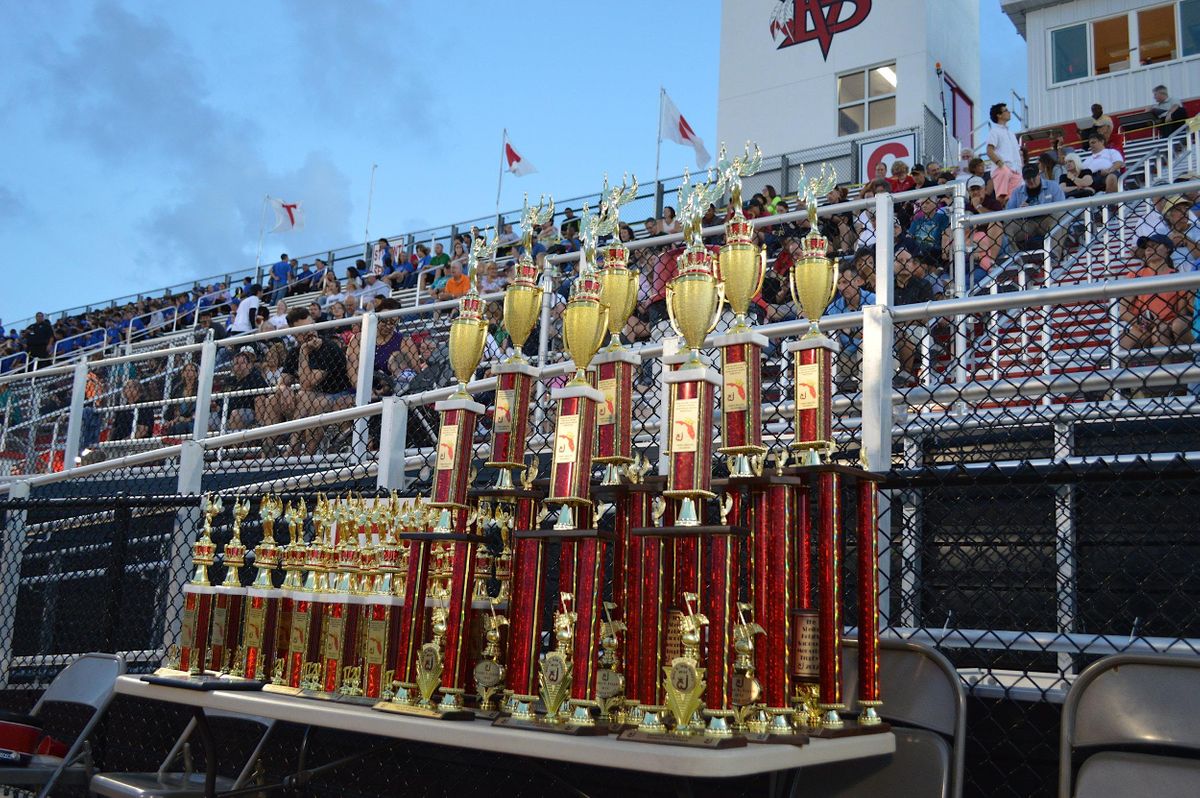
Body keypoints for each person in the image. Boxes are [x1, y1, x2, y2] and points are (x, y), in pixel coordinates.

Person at [258, 307, 354, 454]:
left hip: (335, 395)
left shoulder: (329, 347)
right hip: (308, 403)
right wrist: (284, 390)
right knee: (272, 400)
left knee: (305, 395)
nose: (310, 332)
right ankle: (267, 452)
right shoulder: (293, 352)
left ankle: (300, 450)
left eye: (311, 326)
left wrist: (304, 352)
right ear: (294, 334)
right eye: (303, 330)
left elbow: (307, 384)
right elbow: (282, 382)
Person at [1120, 235, 1191, 350]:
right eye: (1146, 247)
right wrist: (1140, 324)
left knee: (1160, 332)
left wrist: (1161, 322)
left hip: (1168, 323)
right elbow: (1123, 310)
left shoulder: (1176, 276)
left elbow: (1181, 313)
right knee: (1124, 344)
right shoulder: (1136, 276)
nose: (1148, 249)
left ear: (1167, 249)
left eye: (1154, 246)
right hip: (1142, 325)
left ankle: (1168, 367)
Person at [826, 266, 876, 390]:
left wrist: (852, 331)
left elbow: (876, 333)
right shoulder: (833, 308)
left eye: (845, 282)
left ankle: (865, 394)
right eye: (838, 283)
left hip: (874, 354)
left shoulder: (874, 300)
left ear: (857, 281)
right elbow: (834, 337)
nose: (841, 288)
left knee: (865, 345)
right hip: (846, 355)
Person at [893, 248, 933, 383]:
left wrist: (901, 323)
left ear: (913, 265)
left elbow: (925, 317)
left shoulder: (923, 285)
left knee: (903, 333)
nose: (904, 264)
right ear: (892, 264)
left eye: (908, 261)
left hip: (920, 331)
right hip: (893, 329)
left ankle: (906, 373)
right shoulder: (886, 287)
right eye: (899, 261)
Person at [986, 102, 1023, 201]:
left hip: (1016, 170)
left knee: (1015, 200)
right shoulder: (994, 131)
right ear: (999, 115)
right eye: (1006, 110)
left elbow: (1018, 153)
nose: (1009, 112)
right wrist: (1001, 165)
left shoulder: (1011, 133)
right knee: (1002, 199)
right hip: (1003, 169)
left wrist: (1020, 168)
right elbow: (989, 150)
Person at [162, 362, 199, 435]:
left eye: (192, 370)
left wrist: (187, 419)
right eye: (187, 370)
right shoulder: (178, 388)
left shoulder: (199, 388)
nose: (189, 373)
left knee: (183, 426)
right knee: (175, 427)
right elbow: (172, 407)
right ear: (183, 373)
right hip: (178, 418)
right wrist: (174, 419)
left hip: (194, 419)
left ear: (196, 374)